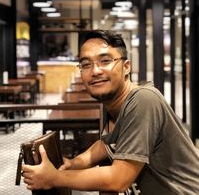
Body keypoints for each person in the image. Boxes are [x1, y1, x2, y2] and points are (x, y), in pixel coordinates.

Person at [22, 30, 199, 195]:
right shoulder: (112, 103)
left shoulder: (143, 100)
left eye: (105, 61)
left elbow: (118, 179)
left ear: (126, 67)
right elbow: (106, 144)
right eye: (86, 64)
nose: (95, 71)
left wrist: (54, 178)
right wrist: (74, 164)